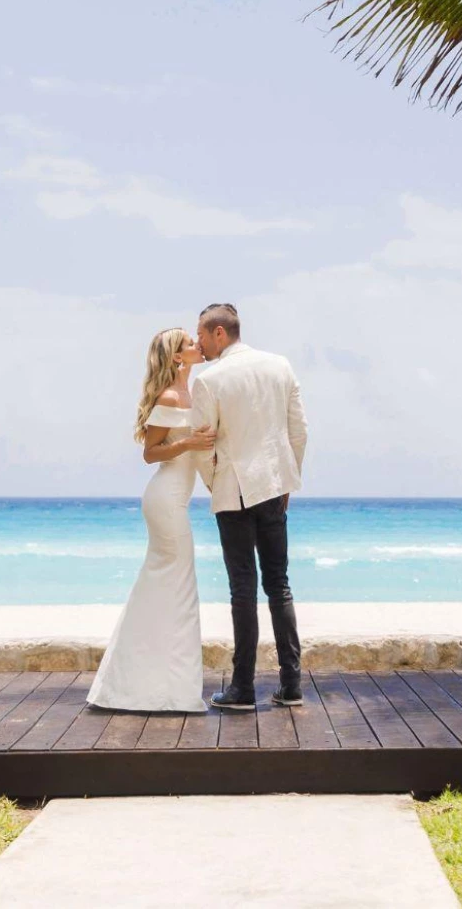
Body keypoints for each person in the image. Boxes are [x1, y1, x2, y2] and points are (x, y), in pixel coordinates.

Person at [86, 327, 217, 712]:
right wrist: (189, 442)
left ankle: (157, 682)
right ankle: (162, 688)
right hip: (165, 499)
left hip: (176, 499)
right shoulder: (170, 396)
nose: (196, 345)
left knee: (168, 588)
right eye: (189, 343)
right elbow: (150, 452)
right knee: (178, 587)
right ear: (177, 357)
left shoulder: (191, 392)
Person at [188, 302, 308, 710]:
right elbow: (299, 432)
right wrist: (287, 479)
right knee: (279, 584)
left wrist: (215, 482)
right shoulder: (280, 366)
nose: (199, 343)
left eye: (202, 335)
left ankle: (242, 689)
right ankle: (291, 685)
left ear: (219, 333)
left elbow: (202, 446)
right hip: (274, 486)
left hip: (234, 490)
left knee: (243, 589)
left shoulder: (209, 380)